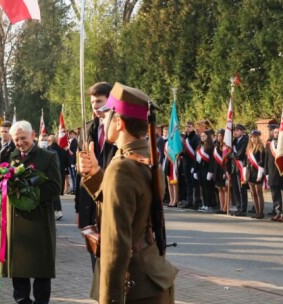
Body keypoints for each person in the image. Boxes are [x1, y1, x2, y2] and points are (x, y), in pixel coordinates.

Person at [78, 82, 177, 303]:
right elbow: (130, 207)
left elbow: (116, 243)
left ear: (119, 123)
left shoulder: (122, 166)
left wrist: (110, 299)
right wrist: (96, 176)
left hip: (134, 288)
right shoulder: (145, 157)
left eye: (107, 116)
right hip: (151, 278)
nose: (102, 120)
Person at [5, 120, 61, 304]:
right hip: (16, 224)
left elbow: (54, 188)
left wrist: (29, 194)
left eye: (23, 138)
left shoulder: (48, 157)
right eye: (16, 139)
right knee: (19, 272)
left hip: (39, 222)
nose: (20, 143)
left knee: (41, 271)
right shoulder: (10, 156)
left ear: (33, 135)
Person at [74, 82, 117, 272]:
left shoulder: (119, 129)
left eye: (99, 101)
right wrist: (78, 208)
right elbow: (80, 174)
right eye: (92, 102)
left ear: (110, 101)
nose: (95, 106)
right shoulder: (86, 130)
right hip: (89, 206)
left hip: (111, 200)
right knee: (96, 262)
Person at [179, 121, 201, 210]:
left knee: (195, 184)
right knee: (188, 183)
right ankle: (189, 201)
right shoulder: (185, 138)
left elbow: (197, 152)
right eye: (186, 126)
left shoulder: (196, 138)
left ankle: (196, 202)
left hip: (193, 163)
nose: (187, 128)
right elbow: (184, 149)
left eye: (189, 126)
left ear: (193, 127)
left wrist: (195, 166)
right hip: (185, 163)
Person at [48, 134, 70, 220]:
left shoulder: (49, 150)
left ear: (49, 141)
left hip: (52, 173)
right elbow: (67, 163)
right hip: (61, 172)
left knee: (53, 193)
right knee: (56, 192)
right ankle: (58, 211)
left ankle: (56, 211)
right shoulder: (63, 151)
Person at [244, 130, 266, 219]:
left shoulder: (261, 148)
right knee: (253, 193)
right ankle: (256, 212)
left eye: (254, 137)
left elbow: (261, 161)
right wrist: (245, 173)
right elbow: (246, 161)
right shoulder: (249, 148)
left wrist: (260, 174)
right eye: (251, 137)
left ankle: (261, 212)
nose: (253, 138)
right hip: (250, 172)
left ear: (258, 137)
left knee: (259, 192)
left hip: (257, 172)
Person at [229, 124, 249, 216]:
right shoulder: (233, 141)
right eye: (234, 130)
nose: (235, 132)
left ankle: (243, 209)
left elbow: (239, 155)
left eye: (237, 130)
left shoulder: (245, 140)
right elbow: (229, 153)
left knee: (242, 189)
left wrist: (232, 155)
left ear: (242, 131)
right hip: (234, 168)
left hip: (241, 167)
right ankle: (238, 207)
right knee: (235, 190)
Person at [195, 130, 215, 212]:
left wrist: (210, 171)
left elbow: (211, 160)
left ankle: (209, 205)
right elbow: (196, 158)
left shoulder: (211, 146)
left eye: (204, 136)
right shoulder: (200, 145)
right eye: (201, 136)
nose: (202, 138)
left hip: (207, 169)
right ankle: (205, 204)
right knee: (202, 187)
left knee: (208, 188)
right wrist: (195, 170)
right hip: (200, 168)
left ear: (208, 137)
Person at [211, 129, 228, 214]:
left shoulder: (226, 146)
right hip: (217, 169)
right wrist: (212, 171)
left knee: (225, 188)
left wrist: (226, 171)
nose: (219, 137)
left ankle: (225, 208)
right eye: (218, 136)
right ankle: (221, 207)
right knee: (219, 188)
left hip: (223, 169)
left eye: (220, 135)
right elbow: (213, 159)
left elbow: (227, 160)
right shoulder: (216, 146)